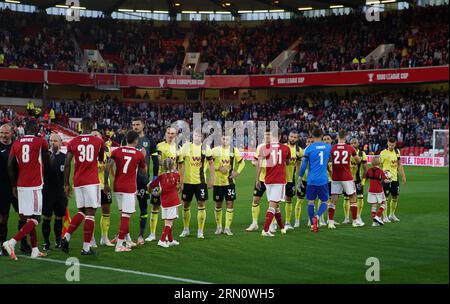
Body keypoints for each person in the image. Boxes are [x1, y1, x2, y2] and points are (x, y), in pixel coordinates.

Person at [3, 119, 51, 260]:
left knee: (28, 218)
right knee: (36, 218)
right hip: (35, 185)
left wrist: (13, 185)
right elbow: (47, 162)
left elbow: (10, 164)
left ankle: (35, 249)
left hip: (21, 185)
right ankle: (11, 242)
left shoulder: (17, 143)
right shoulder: (41, 141)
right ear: (37, 128)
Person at [61, 117, 105, 255]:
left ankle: (66, 236)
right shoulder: (98, 141)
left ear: (80, 126)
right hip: (91, 181)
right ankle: (86, 248)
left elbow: (67, 164)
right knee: (91, 213)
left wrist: (66, 184)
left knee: (82, 211)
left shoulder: (73, 142)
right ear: (92, 125)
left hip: (78, 181)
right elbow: (101, 158)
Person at [104, 131, 147, 252]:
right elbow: (144, 172)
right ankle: (119, 244)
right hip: (129, 187)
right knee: (126, 215)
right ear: (136, 141)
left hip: (117, 186)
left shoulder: (117, 151)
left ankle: (127, 239)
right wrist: (143, 157)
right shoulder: (138, 154)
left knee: (123, 213)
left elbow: (108, 167)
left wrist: (107, 182)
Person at [123, 118, 158, 245]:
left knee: (143, 208)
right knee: (125, 209)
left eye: (137, 124)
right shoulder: (126, 139)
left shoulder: (149, 141)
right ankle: (125, 236)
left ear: (143, 125)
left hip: (143, 180)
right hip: (129, 181)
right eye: (133, 125)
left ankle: (141, 236)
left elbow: (155, 161)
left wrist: (154, 178)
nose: (135, 126)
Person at [178, 130, 215, 239]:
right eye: (195, 135)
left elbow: (211, 164)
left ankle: (200, 231)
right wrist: (180, 181)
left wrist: (212, 178)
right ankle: (186, 229)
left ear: (202, 138)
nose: (197, 137)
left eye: (199, 136)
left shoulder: (206, 148)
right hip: (187, 182)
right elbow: (180, 164)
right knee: (186, 205)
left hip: (200, 182)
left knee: (201, 204)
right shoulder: (186, 147)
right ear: (192, 136)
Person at [256, 129, 291, 237]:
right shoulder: (286, 148)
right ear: (280, 136)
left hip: (268, 180)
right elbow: (288, 162)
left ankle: (282, 227)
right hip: (279, 180)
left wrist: (257, 179)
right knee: (273, 205)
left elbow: (259, 164)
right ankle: (265, 230)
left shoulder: (264, 148)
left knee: (276, 205)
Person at [145, 127, 177, 242]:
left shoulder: (178, 147)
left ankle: (168, 238)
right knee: (155, 206)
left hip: (172, 183)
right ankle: (152, 234)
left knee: (169, 211)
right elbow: (158, 160)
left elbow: (179, 165)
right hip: (160, 181)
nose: (170, 135)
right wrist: (168, 163)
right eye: (168, 133)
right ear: (165, 134)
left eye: (172, 133)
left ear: (176, 134)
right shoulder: (159, 146)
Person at [298, 128, 331, 233]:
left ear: (312, 135)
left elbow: (303, 165)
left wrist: (299, 178)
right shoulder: (328, 147)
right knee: (325, 201)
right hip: (323, 179)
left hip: (311, 180)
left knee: (311, 202)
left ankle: (313, 224)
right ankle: (317, 216)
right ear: (322, 135)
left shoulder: (309, 148)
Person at [0, 124, 26, 256]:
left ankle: (23, 243)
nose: (4, 135)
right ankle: (3, 245)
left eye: (6, 133)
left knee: (23, 214)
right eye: (2, 133)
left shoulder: (17, 146)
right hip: (2, 187)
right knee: (3, 217)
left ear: (11, 133)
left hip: (17, 186)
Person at [328, 130, 363, 229]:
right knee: (353, 197)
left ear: (338, 136)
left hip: (335, 177)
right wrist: (360, 160)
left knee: (334, 199)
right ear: (346, 137)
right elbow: (358, 160)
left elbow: (329, 159)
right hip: (347, 176)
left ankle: (330, 222)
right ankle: (354, 221)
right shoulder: (350, 148)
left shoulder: (333, 148)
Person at [211, 135, 245, 236]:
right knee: (218, 204)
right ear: (220, 139)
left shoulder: (234, 150)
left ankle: (227, 228)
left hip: (229, 182)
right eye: (223, 138)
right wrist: (218, 167)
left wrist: (237, 172)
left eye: (227, 139)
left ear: (230, 140)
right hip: (217, 183)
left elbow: (242, 163)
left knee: (230, 203)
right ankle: (219, 227)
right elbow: (208, 163)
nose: (225, 140)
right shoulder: (215, 150)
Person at [41, 134, 67, 251]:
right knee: (46, 218)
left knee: (59, 218)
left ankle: (58, 240)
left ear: (61, 143)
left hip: (60, 192)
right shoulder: (44, 156)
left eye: (55, 141)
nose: (53, 143)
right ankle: (46, 242)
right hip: (47, 191)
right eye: (51, 141)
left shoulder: (65, 157)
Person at [148, 158, 181, 248]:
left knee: (168, 221)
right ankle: (162, 240)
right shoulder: (177, 175)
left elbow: (150, 186)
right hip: (173, 201)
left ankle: (170, 240)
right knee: (169, 222)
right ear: (173, 165)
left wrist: (152, 192)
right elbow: (179, 186)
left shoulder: (161, 177)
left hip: (164, 201)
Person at [245, 131, 271, 232]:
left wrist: (263, 163)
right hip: (261, 179)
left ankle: (272, 224)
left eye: (269, 135)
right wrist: (256, 163)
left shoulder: (275, 148)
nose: (267, 137)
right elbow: (254, 161)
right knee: (255, 200)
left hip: (271, 179)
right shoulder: (260, 147)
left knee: (272, 203)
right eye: (265, 135)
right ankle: (254, 223)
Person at [92, 130, 114, 247]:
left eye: (97, 135)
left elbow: (109, 165)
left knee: (106, 211)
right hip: (92, 185)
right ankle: (90, 239)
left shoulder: (107, 149)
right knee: (91, 213)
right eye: (93, 135)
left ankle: (104, 237)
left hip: (105, 185)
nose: (95, 137)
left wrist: (113, 176)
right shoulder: (89, 151)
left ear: (101, 137)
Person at [380, 137, 406, 222]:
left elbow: (399, 164)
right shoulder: (383, 153)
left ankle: (392, 214)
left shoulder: (397, 151)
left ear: (395, 144)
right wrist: (380, 176)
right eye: (390, 145)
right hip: (386, 178)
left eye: (393, 145)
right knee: (385, 197)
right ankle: (384, 216)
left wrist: (403, 176)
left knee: (395, 196)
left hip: (395, 178)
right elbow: (379, 165)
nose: (391, 146)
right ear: (387, 143)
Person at [283, 131, 302, 230]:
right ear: (288, 137)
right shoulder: (282, 147)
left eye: (295, 137)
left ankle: (287, 222)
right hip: (280, 179)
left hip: (291, 179)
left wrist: (299, 178)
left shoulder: (299, 150)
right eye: (291, 136)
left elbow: (299, 164)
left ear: (297, 139)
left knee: (289, 200)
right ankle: (273, 223)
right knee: (276, 201)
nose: (293, 138)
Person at [294, 136, 313, 228]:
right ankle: (297, 221)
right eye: (308, 141)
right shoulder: (302, 152)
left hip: (311, 181)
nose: (309, 143)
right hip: (303, 181)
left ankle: (310, 220)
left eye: (311, 142)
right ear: (306, 143)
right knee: (299, 201)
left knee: (311, 201)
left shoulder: (315, 153)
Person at [348, 137, 368, 225]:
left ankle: (358, 216)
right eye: (351, 143)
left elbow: (365, 169)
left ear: (358, 143)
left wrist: (363, 180)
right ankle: (348, 218)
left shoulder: (361, 153)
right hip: (348, 180)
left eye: (354, 143)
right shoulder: (347, 153)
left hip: (358, 180)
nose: (353, 145)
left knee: (360, 198)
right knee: (348, 199)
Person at [365, 156, 389, 227]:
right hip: (379, 190)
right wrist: (390, 180)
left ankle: (374, 223)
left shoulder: (369, 170)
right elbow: (385, 180)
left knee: (373, 206)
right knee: (384, 203)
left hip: (371, 190)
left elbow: (365, 178)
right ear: (379, 162)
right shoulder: (380, 171)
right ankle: (378, 216)